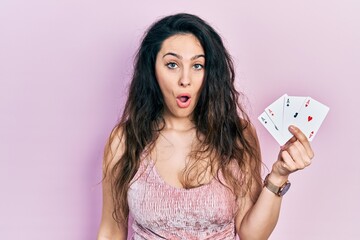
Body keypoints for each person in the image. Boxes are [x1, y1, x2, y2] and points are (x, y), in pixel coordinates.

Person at [97, 13, 314, 240]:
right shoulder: (125, 140)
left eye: (198, 65)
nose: (185, 79)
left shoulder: (236, 135)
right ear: (152, 70)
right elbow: (111, 231)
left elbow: (253, 235)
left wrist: (279, 176)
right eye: (172, 65)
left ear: (210, 73)